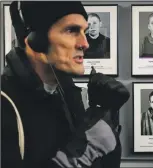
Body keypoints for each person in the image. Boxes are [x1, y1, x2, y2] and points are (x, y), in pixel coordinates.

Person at [1, 1, 129, 168]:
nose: (85, 43)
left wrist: (105, 115)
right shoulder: (6, 104)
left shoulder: (67, 95)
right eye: (71, 30)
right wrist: (88, 149)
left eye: (84, 31)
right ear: (35, 40)